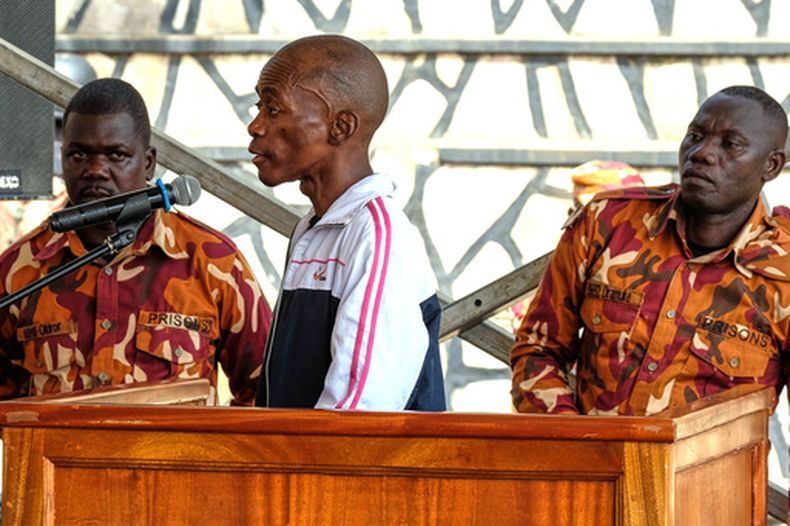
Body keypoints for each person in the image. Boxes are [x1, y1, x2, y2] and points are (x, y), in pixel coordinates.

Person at [511, 85, 789, 416]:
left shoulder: (783, 270)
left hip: (712, 468)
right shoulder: (607, 221)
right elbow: (539, 348)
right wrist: (576, 447)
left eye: (731, 144)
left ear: (771, 166)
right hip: (592, 461)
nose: (701, 153)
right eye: (695, 135)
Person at [0, 78, 272, 405]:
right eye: (79, 154)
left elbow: (265, 394)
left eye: (116, 155)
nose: (96, 170)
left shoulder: (214, 262)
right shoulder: (20, 268)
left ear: (148, 163)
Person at [248, 35, 445, 410]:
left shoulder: (375, 233)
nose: (255, 126)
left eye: (273, 110)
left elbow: (357, 413)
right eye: (258, 107)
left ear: (340, 128)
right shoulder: (314, 227)